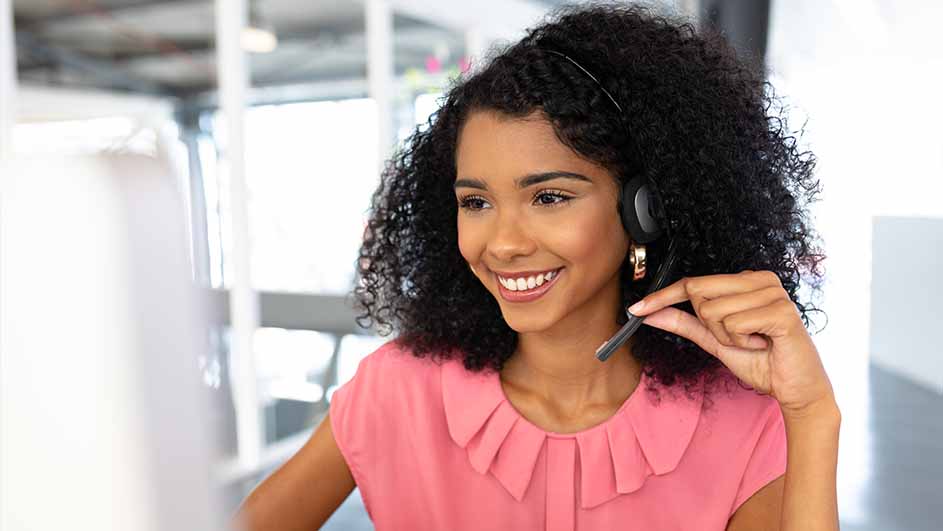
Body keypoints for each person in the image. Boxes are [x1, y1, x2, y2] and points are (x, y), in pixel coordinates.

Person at [235, 3, 840, 530]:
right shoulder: (396, 391)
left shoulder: (743, 423)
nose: (503, 243)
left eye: (549, 197)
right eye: (475, 202)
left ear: (646, 210)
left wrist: (812, 415)